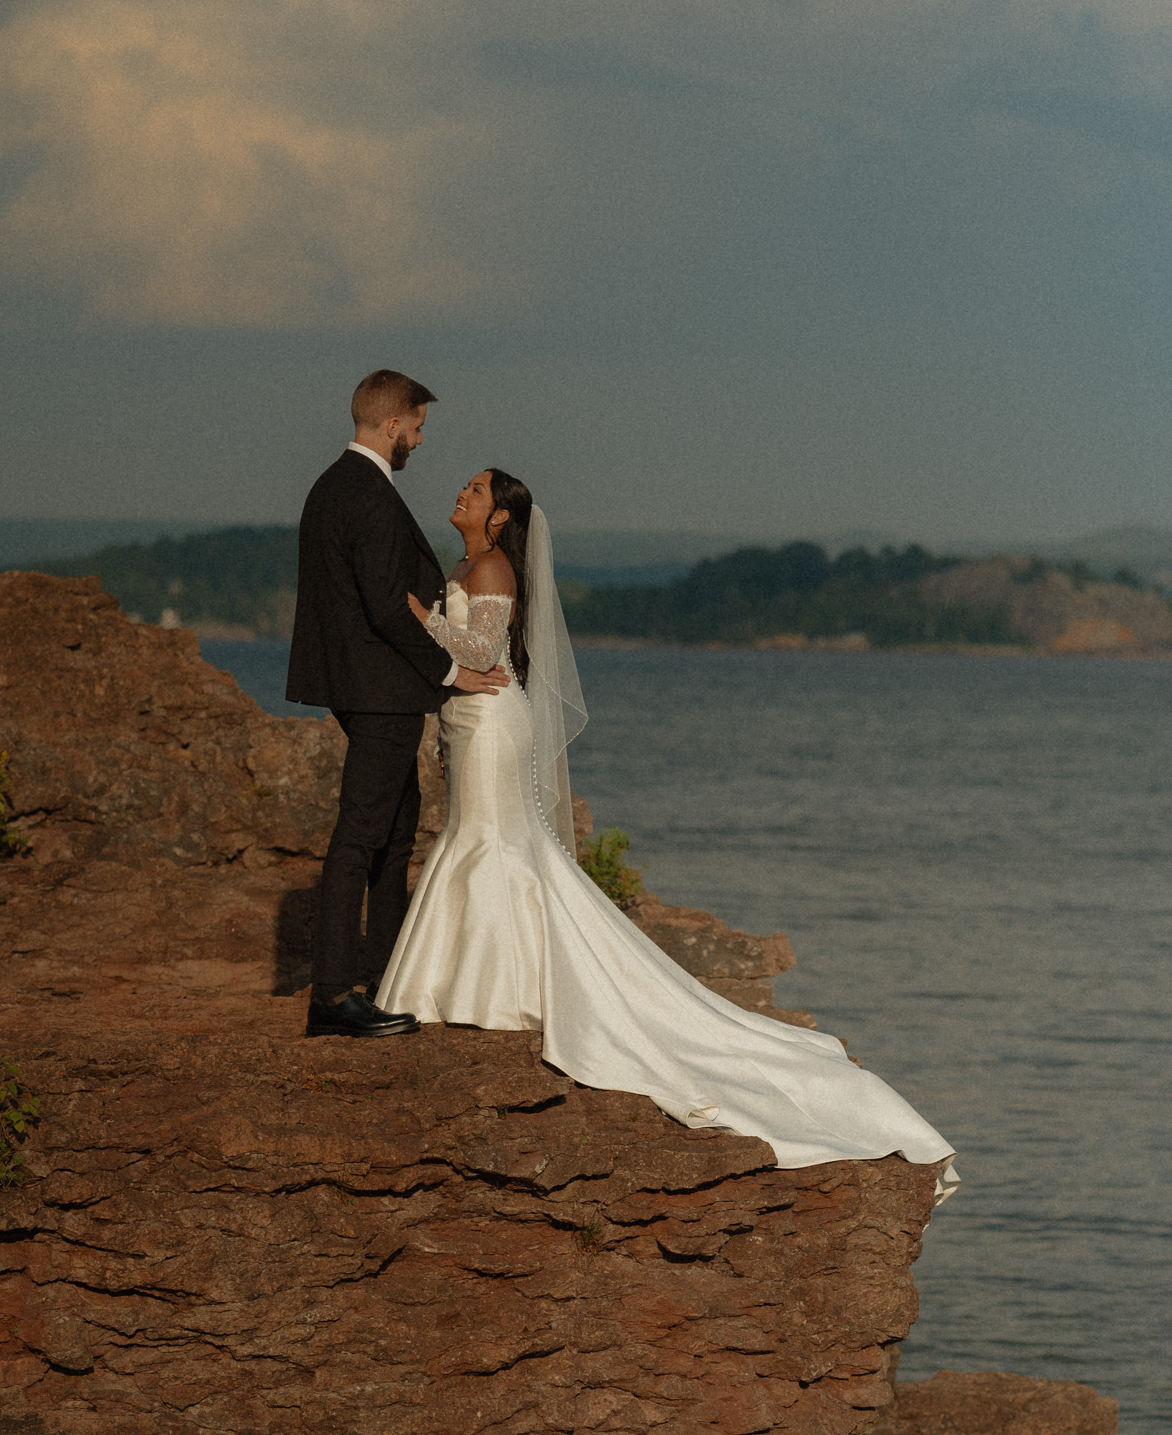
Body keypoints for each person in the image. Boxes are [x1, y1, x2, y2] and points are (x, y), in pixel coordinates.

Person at [375, 469, 960, 1181]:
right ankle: (473, 979)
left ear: (499, 518)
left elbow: (480, 652)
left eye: (475, 490)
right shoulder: (468, 562)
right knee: (479, 841)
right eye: (465, 487)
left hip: (494, 725)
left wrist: (418, 616)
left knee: (493, 844)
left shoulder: (492, 565)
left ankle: (495, 986)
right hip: (470, 722)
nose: (461, 493)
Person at [286, 370, 508, 1040]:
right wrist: (450, 672)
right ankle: (332, 997)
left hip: (358, 684)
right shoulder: (370, 496)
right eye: (415, 427)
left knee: (396, 827)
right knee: (361, 836)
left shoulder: (331, 487)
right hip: (379, 690)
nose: (417, 439)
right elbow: (385, 606)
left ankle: (388, 974)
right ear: (391, 426)